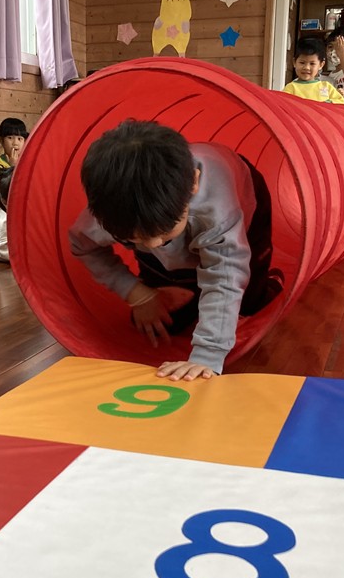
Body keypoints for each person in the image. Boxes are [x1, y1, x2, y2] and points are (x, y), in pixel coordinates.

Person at [68, 120, 281, 382]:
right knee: (163, 322)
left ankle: (266, 287)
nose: (153, 245)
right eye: (134, 239)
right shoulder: (111, 213)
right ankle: (191, 287)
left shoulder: (216, 211)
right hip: (164, 213)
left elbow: (225, 275)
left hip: (245, 197)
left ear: (193, 184)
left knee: (249, 300)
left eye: (164, 232)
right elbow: (82, 245)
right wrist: (137, 294)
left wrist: (207, 356)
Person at [282, 37, 344, 104]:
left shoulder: (326, 87)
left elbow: (340, 101)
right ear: (294, 62)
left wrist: (329, 102)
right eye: (302, 63)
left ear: (321, 65)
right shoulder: (290, 88)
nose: (307, 67)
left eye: (312, 63)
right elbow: (282, 105)